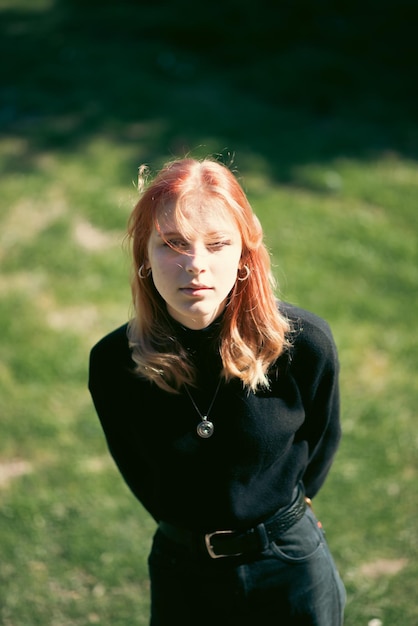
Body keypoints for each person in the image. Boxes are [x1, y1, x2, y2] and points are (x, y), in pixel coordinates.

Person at [88, 157, 346, 626]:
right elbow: (137, 469)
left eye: (217, 243)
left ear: (244, 254)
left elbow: (323, 438)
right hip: (182, 568)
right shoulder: (113, 363)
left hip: (289, 562)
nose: (196, 266)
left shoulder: (303, 345)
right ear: (144, 256)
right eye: (172, 244)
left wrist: (287, 516)